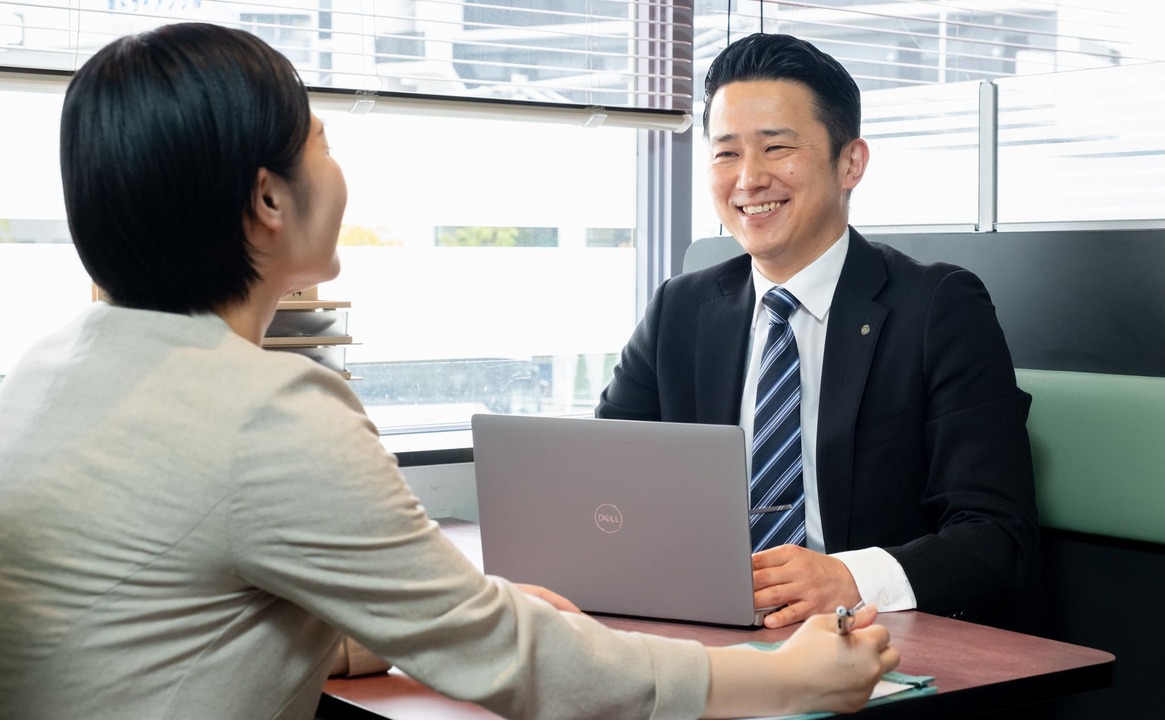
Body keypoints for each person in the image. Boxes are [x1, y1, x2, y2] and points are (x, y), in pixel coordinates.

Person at [0, 23, 900, 720]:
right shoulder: (269, 410)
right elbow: (513, 658)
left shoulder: (47, 370)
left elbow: (173, 614)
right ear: (269, 199)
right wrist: (785, 680)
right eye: (322, 143)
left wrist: (405, 624)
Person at [597, 33, 1040, 632]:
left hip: (864, 637)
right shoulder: (680, 308)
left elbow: (996, 536)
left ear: (850, 162)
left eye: (776, 147)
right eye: (726, 153)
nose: (748, 179)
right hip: (707, 629)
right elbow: (603, 484)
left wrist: (850, 578)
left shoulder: (938, 308)